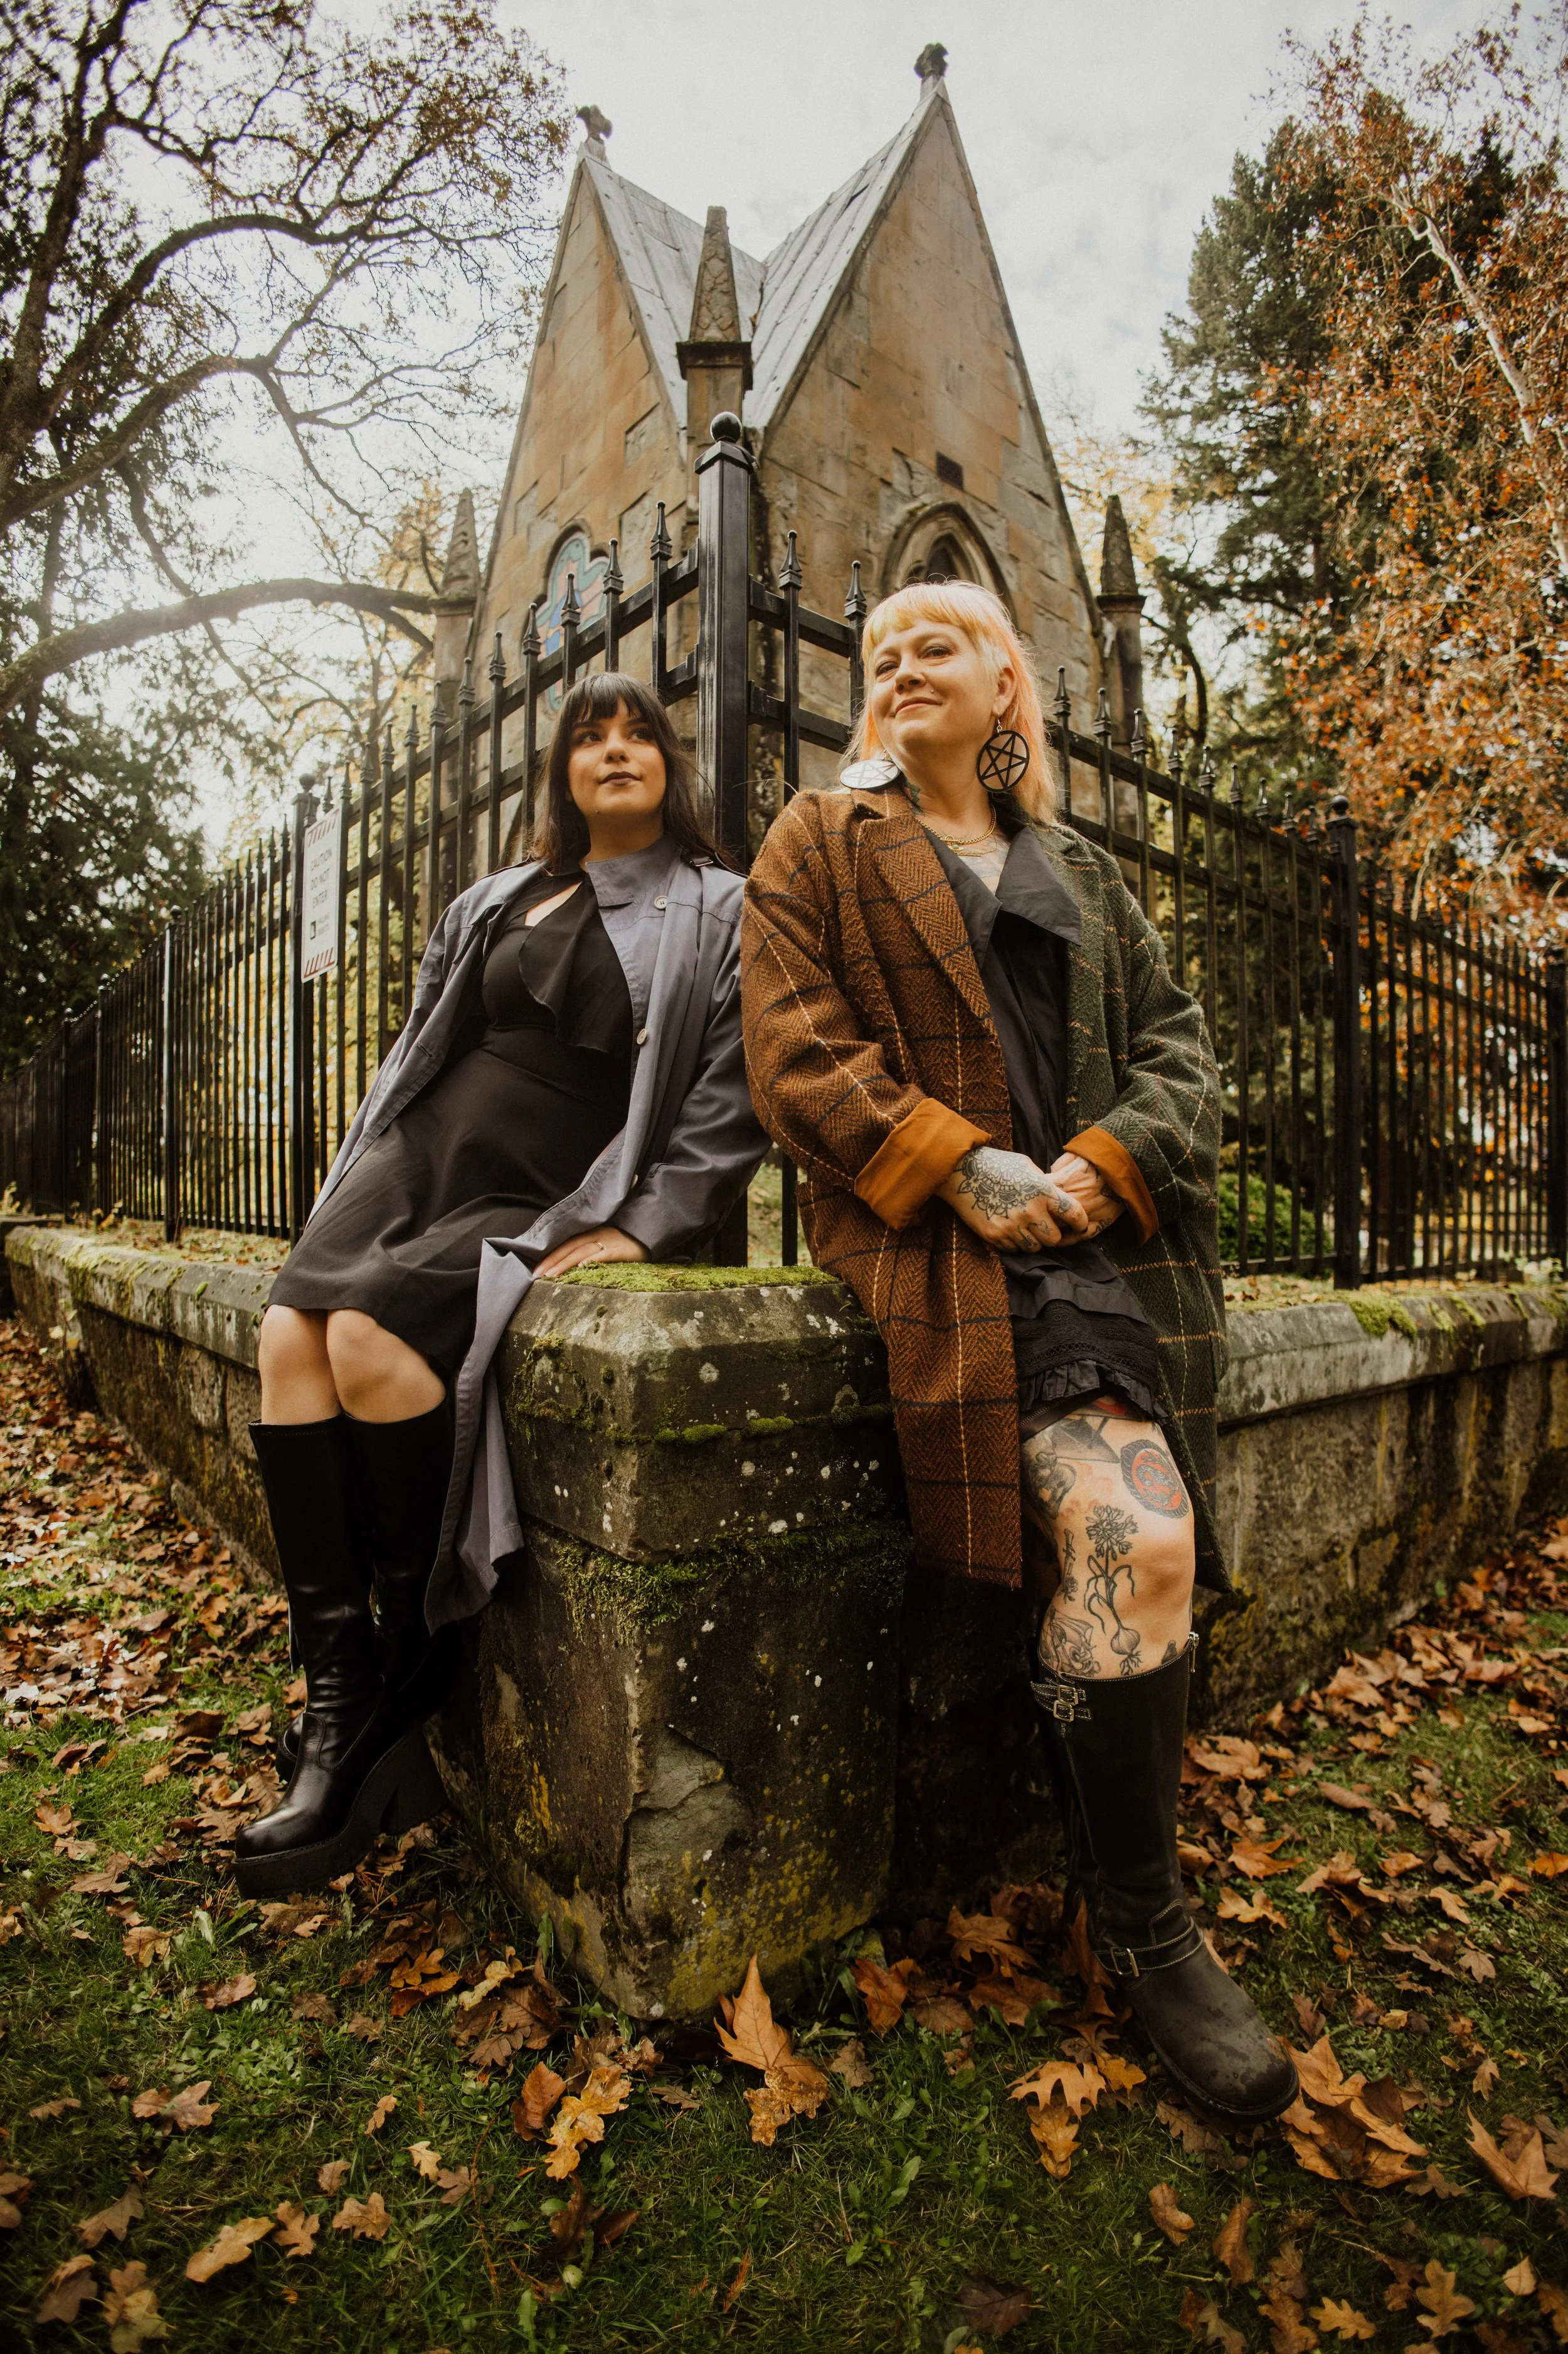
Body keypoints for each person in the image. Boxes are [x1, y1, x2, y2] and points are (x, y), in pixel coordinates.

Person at [740, 582, 1296, 2126]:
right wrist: (964, 1163)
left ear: (1008, 684)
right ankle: (1149, 1923)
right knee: (1138, 1536)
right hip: (943, 1255)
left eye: (934, 645)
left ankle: (1114, 1893)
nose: (898, 665)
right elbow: (789, 1057)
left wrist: (1103, 1163)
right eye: (877, 656)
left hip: (1111, 1252)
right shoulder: (818, 843)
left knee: (1141, 1560)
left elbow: (1190, 1056)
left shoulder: (1089, 875)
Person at [241, 673, 766, 1898]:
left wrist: (646, 1225)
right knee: (289, 1335)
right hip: (420, 1154)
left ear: (669, 768)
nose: (616, 748)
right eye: (590, 734)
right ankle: (345, 1692)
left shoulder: (719, 908)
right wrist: (348, 1174)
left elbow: (729, 1094)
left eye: (639, 732)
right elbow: (418, 1049)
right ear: (562, 772)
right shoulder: (497, 896)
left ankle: (384, 1689)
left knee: (373, 1346)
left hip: (544, 1172)